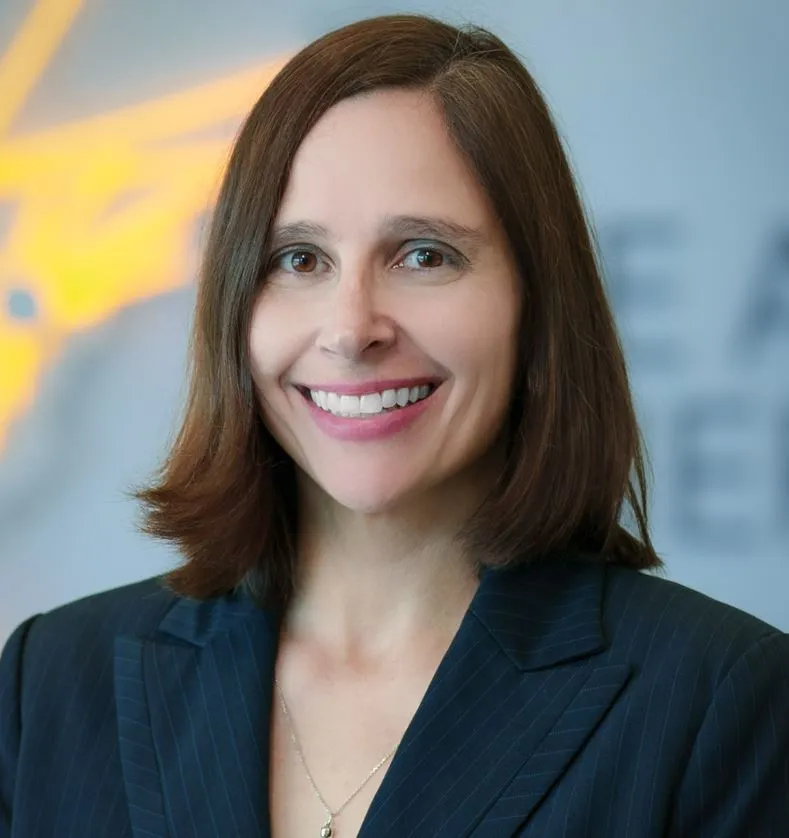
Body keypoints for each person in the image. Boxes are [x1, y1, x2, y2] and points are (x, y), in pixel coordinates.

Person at [1, 13, 787, 838]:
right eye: (298, 260)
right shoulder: (55, 680)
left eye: (422, 255)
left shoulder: (714, 703)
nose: (351, 328)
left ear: (535, 301)